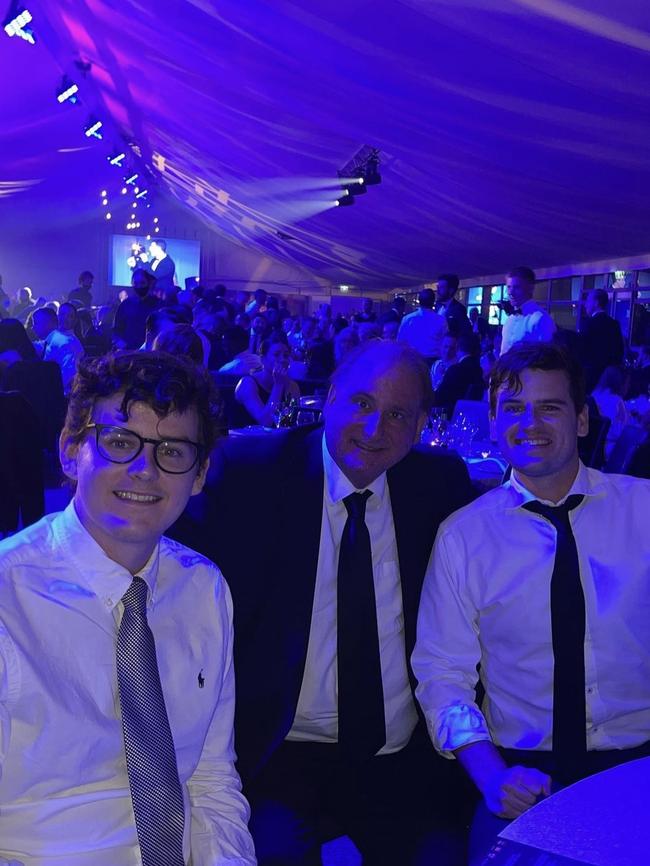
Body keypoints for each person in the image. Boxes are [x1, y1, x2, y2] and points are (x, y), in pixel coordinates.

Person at [171, 339, 476, 866]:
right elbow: (163, 558)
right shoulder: (251, 474)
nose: (375, 430)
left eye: (398, 414)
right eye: (361, 404)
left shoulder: (439, 484)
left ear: (422, 423)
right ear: (330, 398)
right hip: (279, 749)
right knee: (272, 854)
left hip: (400, 751)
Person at [0, 350, 256, 865]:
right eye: (119, 442)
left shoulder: (203, 587)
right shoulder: (8, 597)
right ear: (71, 452)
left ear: (200, 473)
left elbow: (210, 778)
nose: (145, 470)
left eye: (173, 451)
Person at [412, 342, 650, 865]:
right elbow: (442, 676)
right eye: (514, 409)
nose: (530, 423)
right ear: (493, 424)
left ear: (583, 420)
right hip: (524, 772)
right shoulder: (463, 537)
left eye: (550, 407)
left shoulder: (645, 510)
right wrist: (491, 776)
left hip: (639, 764)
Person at [234, 335, 300, 427]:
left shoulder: (292, 386)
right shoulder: (247, 383)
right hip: (247, 438)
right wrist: (278, 385)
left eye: (286, 355)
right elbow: (266, 421)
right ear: (263, 359)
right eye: (276, 354)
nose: (283, 359)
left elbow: (291, 422)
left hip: (279, 438)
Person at [500, 266, 556, 354]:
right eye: (509, 287)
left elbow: (547, 358)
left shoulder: (540, 319)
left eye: (516, 287)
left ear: (530, 288)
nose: (510, 292)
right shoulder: (510, 319)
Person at [30, 305, 84, 394]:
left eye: (70, 316)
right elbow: (39, 346)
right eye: (62, 314)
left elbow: (68, 377)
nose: (65, 318)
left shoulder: (68, 343)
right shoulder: (54, 337)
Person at [579, 288, 625, 392]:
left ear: (596, 302)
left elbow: (582, 350)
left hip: (590, 378)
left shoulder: (588, 324)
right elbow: (619, 351)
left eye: (588, 301)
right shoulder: (614, 324)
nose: (585, 304)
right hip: (609, 379)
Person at [432, 332, 484, 415]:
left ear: (457, 348)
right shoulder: (479, 370)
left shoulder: (455, 370)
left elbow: (438, 398)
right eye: (445, 347)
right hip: (469, 415)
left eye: (451, 348)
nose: (448, 351)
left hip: (447, 415)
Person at [113, 268, 161, 350]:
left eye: (142, 283)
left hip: (152, 351)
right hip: (129, 351)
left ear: (148, 283)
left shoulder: (158, 304)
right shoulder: (125, 304)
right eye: (136, 283)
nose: (139, 286)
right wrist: (121, 344)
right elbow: (116, 329)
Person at [397, 287, 447, 364]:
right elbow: (445, 342)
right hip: (433, 361)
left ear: (419, 301)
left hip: (413, 360)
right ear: (433, 301)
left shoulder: (408, 319)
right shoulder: (441, 320)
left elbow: (400, 341)